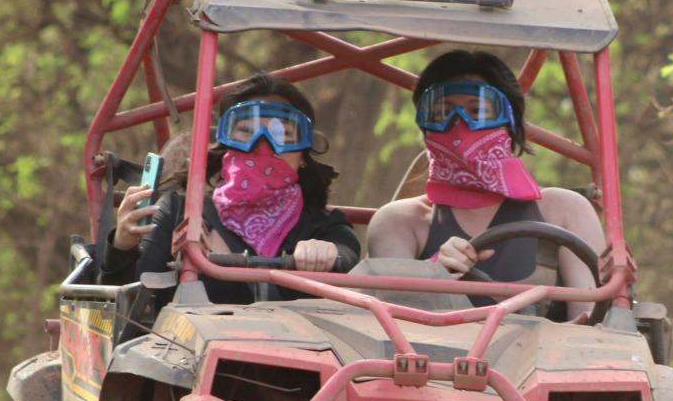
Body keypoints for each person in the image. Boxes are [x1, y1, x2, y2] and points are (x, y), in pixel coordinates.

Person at [366, 49, 605, 320]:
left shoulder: (564, 211)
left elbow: (593, 323)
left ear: (509, 123)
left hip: (545, 358)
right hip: (429, 358)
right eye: (442, 113)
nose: (458, 126)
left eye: (477, 111)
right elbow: (390, 325)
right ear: (424, 127)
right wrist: (434, 271)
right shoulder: (399, 222)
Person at [99, 75, 359, 302]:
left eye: (281, 135)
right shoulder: (180, 211)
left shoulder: (323, 227)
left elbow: (349, 255)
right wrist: (122, 246)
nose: (263, 146)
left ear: (303, 154)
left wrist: (328, 252)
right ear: (226, 144)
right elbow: (130, 311)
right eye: (246, 132)